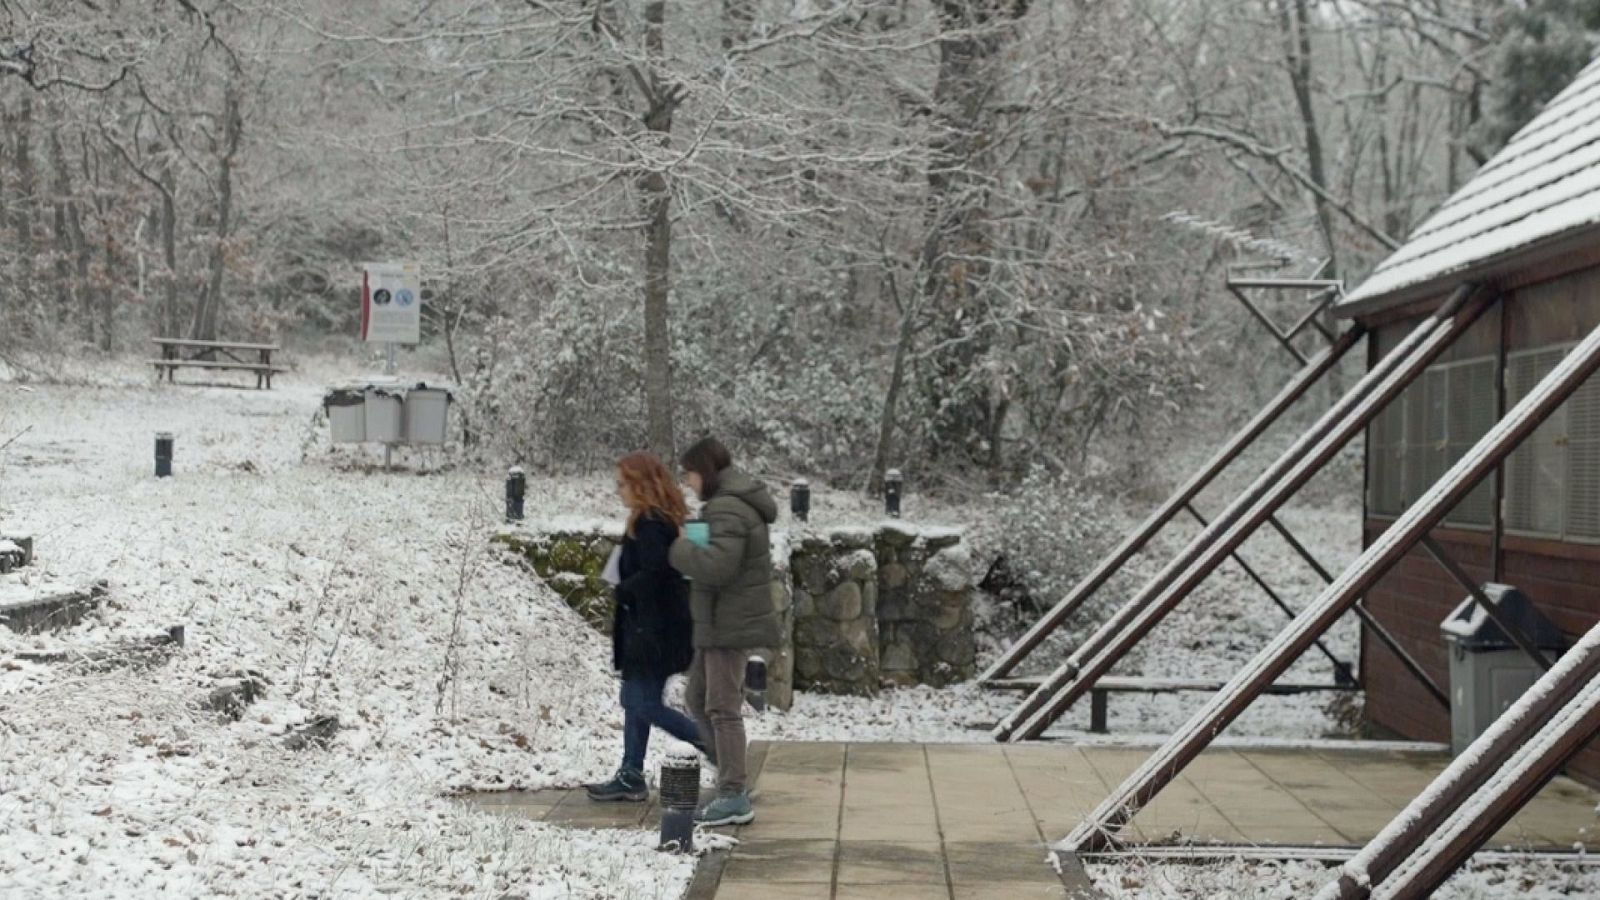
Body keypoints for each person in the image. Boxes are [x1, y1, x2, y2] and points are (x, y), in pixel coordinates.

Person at [669, 436, 779, 826]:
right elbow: (720, 556)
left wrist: (680, 547)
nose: (688, 483)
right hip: (718, 621)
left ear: (706, 472)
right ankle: (732, 777)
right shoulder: (724, 506)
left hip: (729, 624)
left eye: (690, 475)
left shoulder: (729, 507)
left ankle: (734, 793)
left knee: (721, 707)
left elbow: (718, 567)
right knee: (699, 698)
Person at [585, 452, 701, 802]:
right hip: (650, 628)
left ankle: (714, 746)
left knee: (642, 702)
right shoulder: (650, 520)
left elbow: (658, 573)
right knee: (636, 699)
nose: (618, 490)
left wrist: (624, 588)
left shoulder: (651, 524)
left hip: (653, 631)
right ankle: (631, 773)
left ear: (640, 485)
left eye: (622, 483)